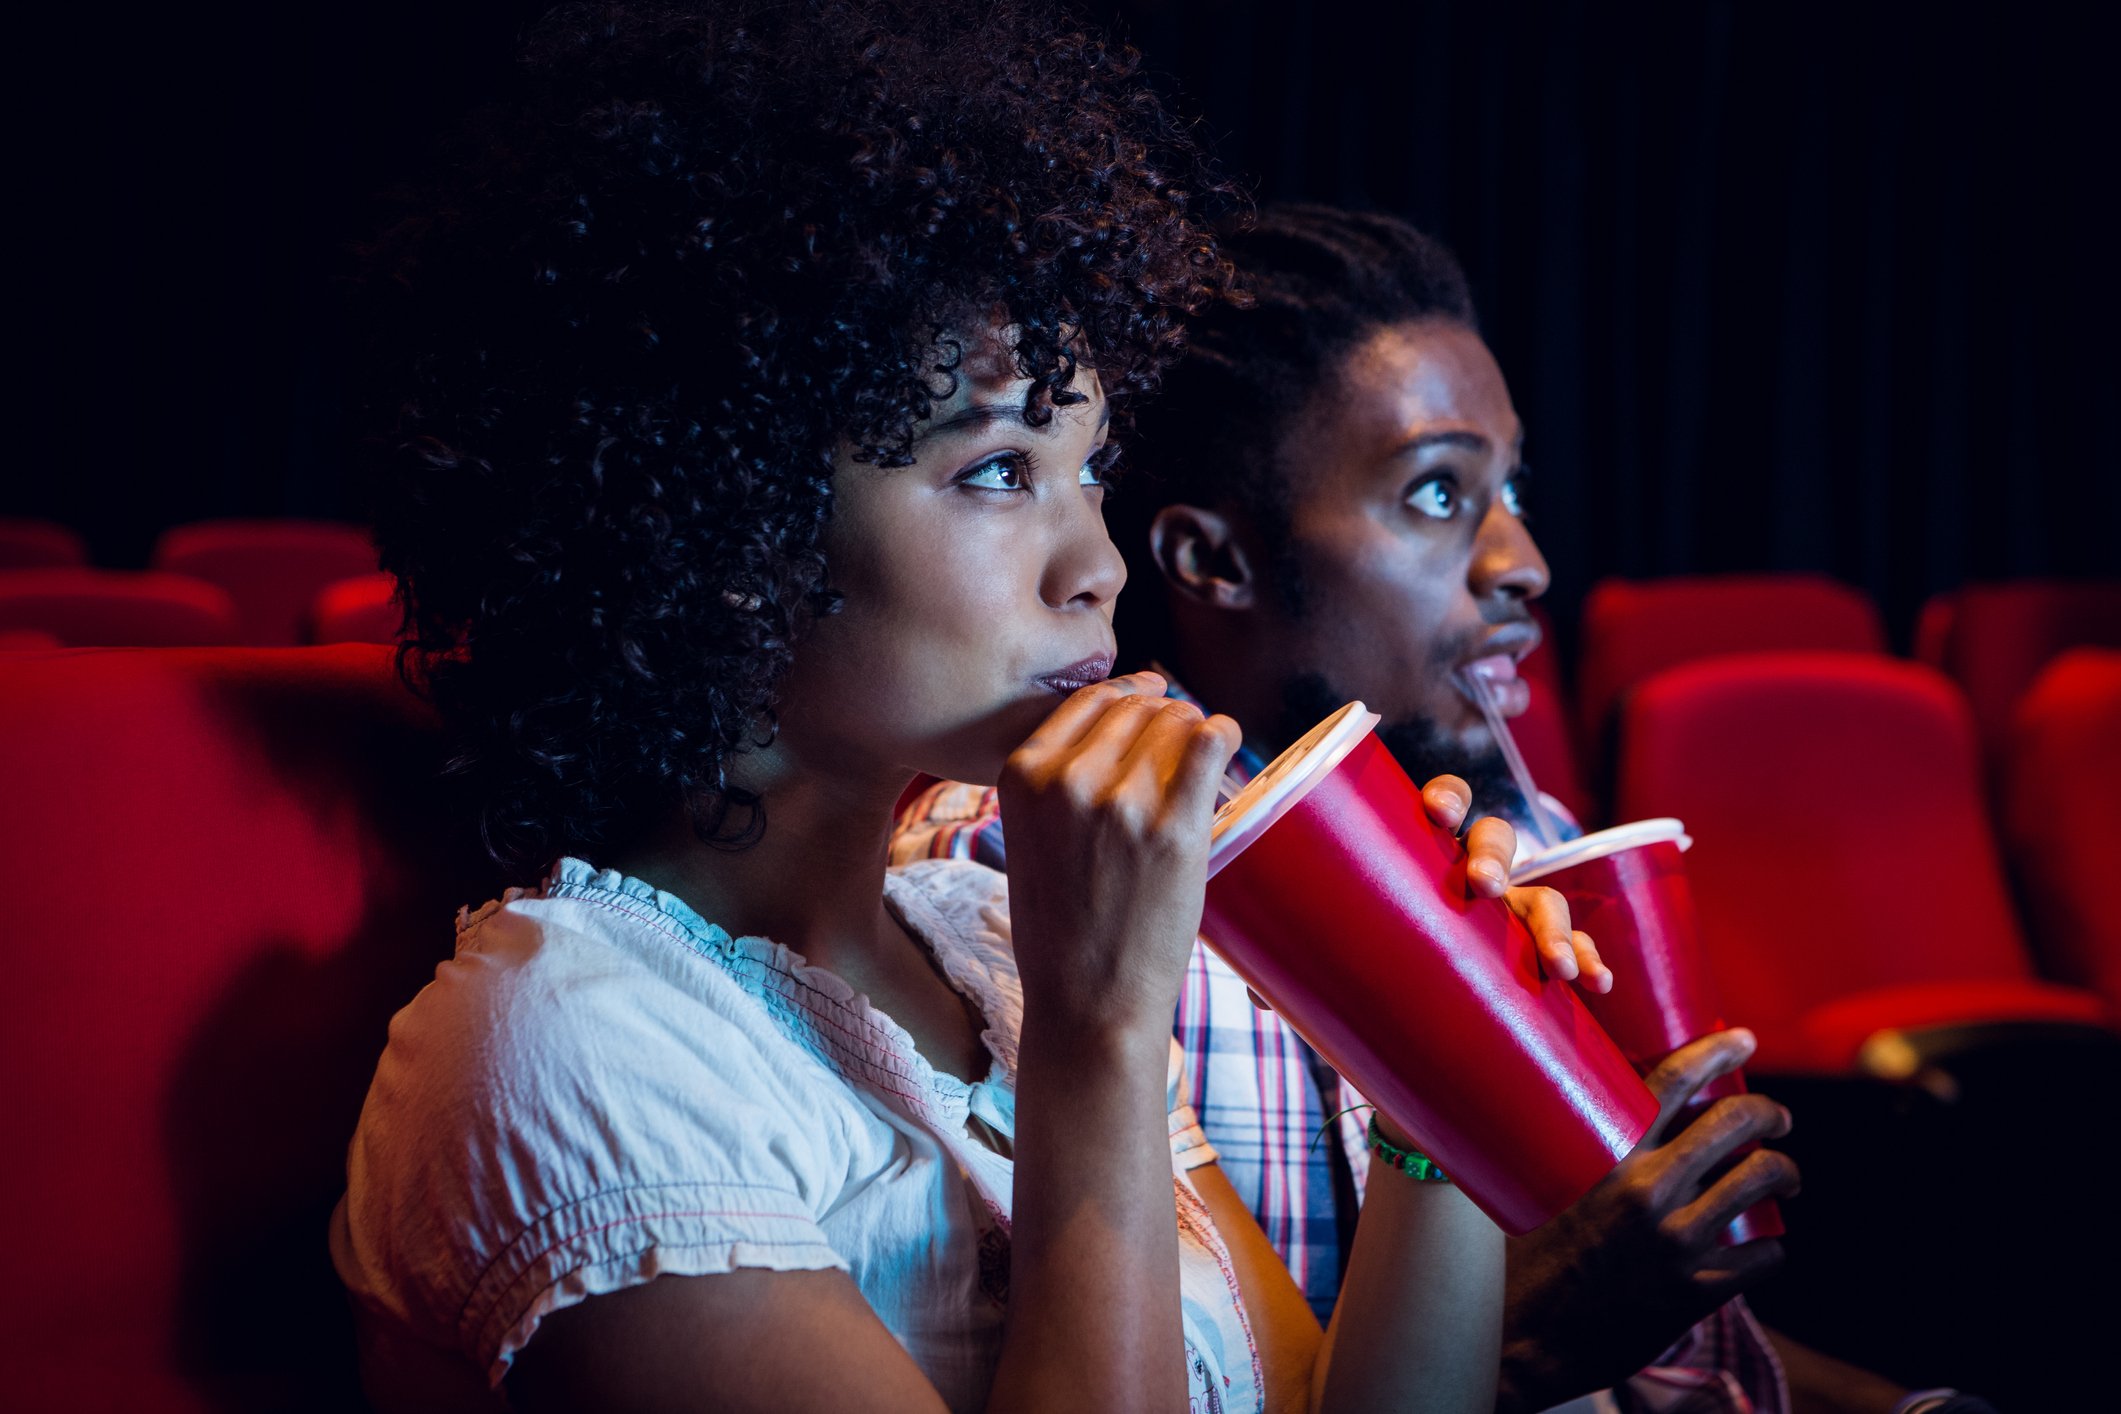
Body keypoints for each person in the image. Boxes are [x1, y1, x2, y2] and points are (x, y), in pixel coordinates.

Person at [329, 12, 1611, 1413]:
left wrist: (1427, 1083)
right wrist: (1097, 1036)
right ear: (724, 521)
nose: (1099, 567)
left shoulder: (980, 939)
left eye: (1090, 471)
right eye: (1000, 470)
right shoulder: (569, 1046)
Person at [895, 206, 1989, 1414]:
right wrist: (1534, 1325)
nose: (1522, 560)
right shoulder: (1036, 870)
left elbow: (1696, 1362)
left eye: (1512, 488)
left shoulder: (1520, 838)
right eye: (1435, 495)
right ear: (1216, 563)